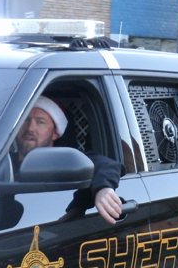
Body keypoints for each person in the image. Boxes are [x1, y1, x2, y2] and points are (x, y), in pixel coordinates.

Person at [14, 96, 124, 224]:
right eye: (25, 120)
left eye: (40, 122)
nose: (30, 128)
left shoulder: (64, 161)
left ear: (55, 133)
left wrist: (102, 188)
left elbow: (106, 165)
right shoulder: (0, 163)